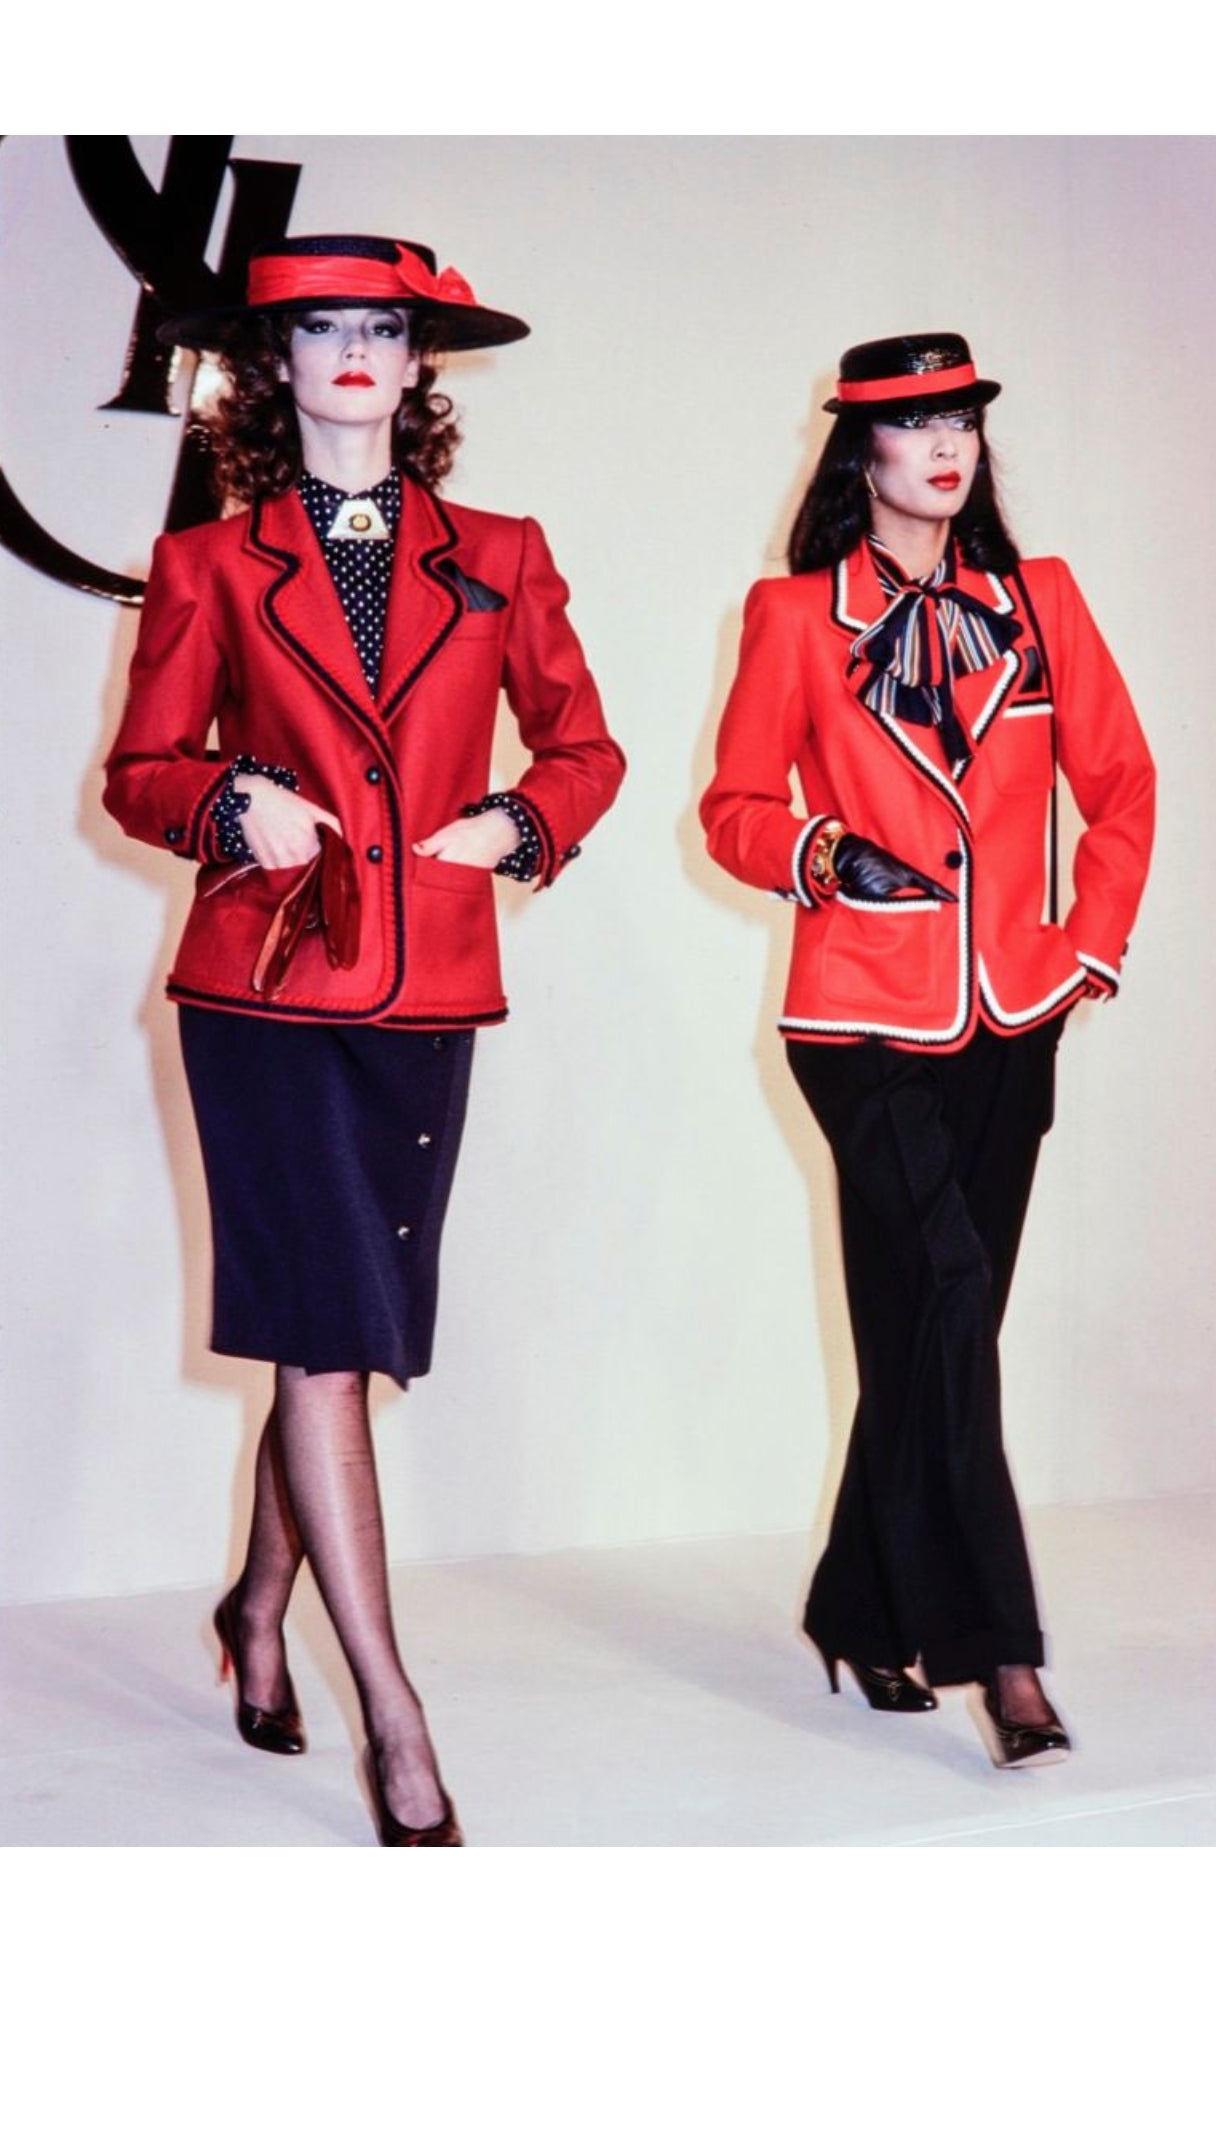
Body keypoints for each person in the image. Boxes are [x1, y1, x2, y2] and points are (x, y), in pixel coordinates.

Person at [104, 233, 625, 1843]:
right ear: (275, 363)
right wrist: (226, 799)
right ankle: (396, 1718)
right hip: (265, 996)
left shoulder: (503, 553)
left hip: (429, 996)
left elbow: (587, 747)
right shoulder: (209, 562)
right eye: (318, 325)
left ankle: (259, 1601)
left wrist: (520, 823)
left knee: (350, 1333)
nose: (351, 349)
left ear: (418, 362)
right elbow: (139, 770)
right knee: (327, 1340)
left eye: (381, 328)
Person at [700, 333, 1154, 1767]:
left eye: (961, 417)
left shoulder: (1040, 600)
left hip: (1013, 1017)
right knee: (948, 1298)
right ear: (863, 451)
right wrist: (820, 850)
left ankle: (855, 1606)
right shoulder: (794, 616)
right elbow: (731, 807)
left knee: (931, 1331)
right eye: (914, 423)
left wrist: (1084, 946)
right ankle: (1002, 1654)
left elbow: (1123, 784)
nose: (947, 444)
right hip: (859, 1021)